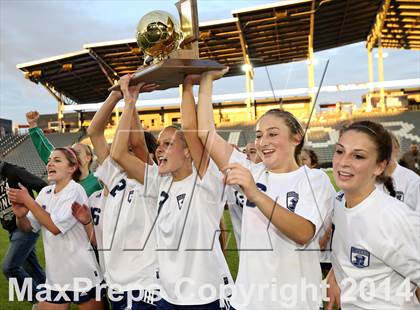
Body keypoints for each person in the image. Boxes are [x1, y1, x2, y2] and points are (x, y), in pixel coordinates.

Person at [197, 68, 335, 309]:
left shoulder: (314, 179)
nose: (263, 142)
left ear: (296, 137)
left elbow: (303, 233)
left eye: (273, 134)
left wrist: (255, 194)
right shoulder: (254, 171)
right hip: (248, 302)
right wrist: (206, 81)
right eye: (259, 136)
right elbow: (205, 133)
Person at [111, 74, 233, 309]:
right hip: (168, 296)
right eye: (158, 145)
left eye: (168, 144)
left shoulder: (207, 180)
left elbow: (190, 127)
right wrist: (129, 102)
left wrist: (186, 83)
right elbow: (118, 154)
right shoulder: (160, 182)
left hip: (207, 297)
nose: (159, 150)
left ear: (188, 151)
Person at [327, 121, 420, 310]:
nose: (343, 162)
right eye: (339, 151)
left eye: (358, 156)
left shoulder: (392, 217)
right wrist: (334, 273)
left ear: (379, 167)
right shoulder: (338, 204)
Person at [86, 79, 160, 310]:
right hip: (116, 281)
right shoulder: (114, 177)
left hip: (144, 283)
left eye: (128, 150)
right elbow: (94, 132)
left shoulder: (153, 179)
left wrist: (131, 102)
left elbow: (137, 143)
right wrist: (117, 95)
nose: (119, 155)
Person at [8, 147, 104, 309]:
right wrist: (21, 216)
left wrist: (28, 201)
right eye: (49, 161)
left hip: (82, 273)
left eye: (57, 160)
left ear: (72, 168)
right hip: (57, 277)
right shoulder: (45, 192)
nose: (50, 164)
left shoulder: (75, 190)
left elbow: (55, 228)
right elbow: (28, 228)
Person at [0, 160, 46, 306]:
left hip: (26, 226)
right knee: (33, 270)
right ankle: (54, 297)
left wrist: (37, 213)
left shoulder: (13, 171)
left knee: (10, 268)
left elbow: (42, 186)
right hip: (12, 231)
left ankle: (40, 302)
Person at [26, 111, 102, 196]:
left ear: (88, 157)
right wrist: (33, 125)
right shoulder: (65, 177)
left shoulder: (98, 182)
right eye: (72, 152)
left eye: (77, 152)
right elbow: (47, 150)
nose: (73, 155)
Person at [376, 132, 420, 213]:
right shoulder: (367, 179)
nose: (383, 152)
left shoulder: (413, 181)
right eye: (380, 148)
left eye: (388, 147)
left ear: (397, 149)